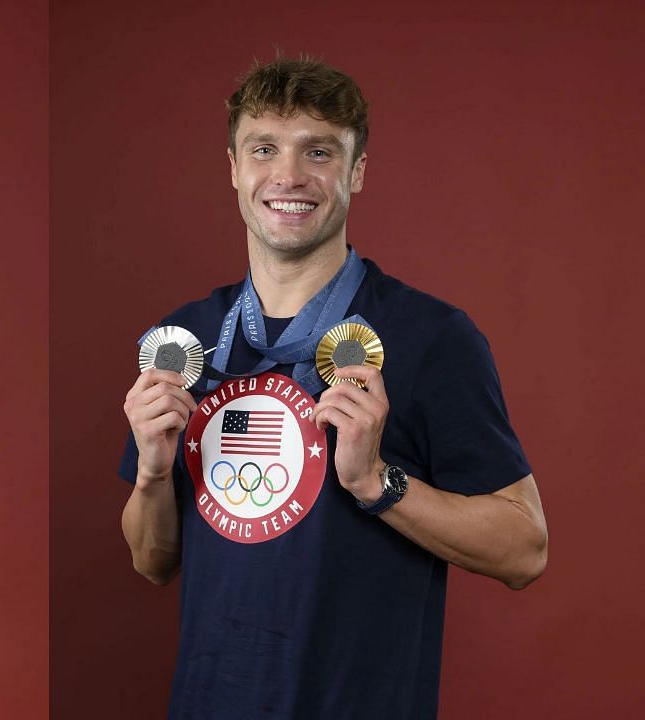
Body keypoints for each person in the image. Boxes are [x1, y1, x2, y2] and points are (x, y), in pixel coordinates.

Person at [119, 58, 547, 719]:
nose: (289, 176)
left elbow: (525, 548)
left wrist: (378, 482)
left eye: (319, 152)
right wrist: (152, 474)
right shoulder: (184, 340)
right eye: (265, 149)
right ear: (234, 168)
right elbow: (153, 561)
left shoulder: (431, 338)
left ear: (357, 172)